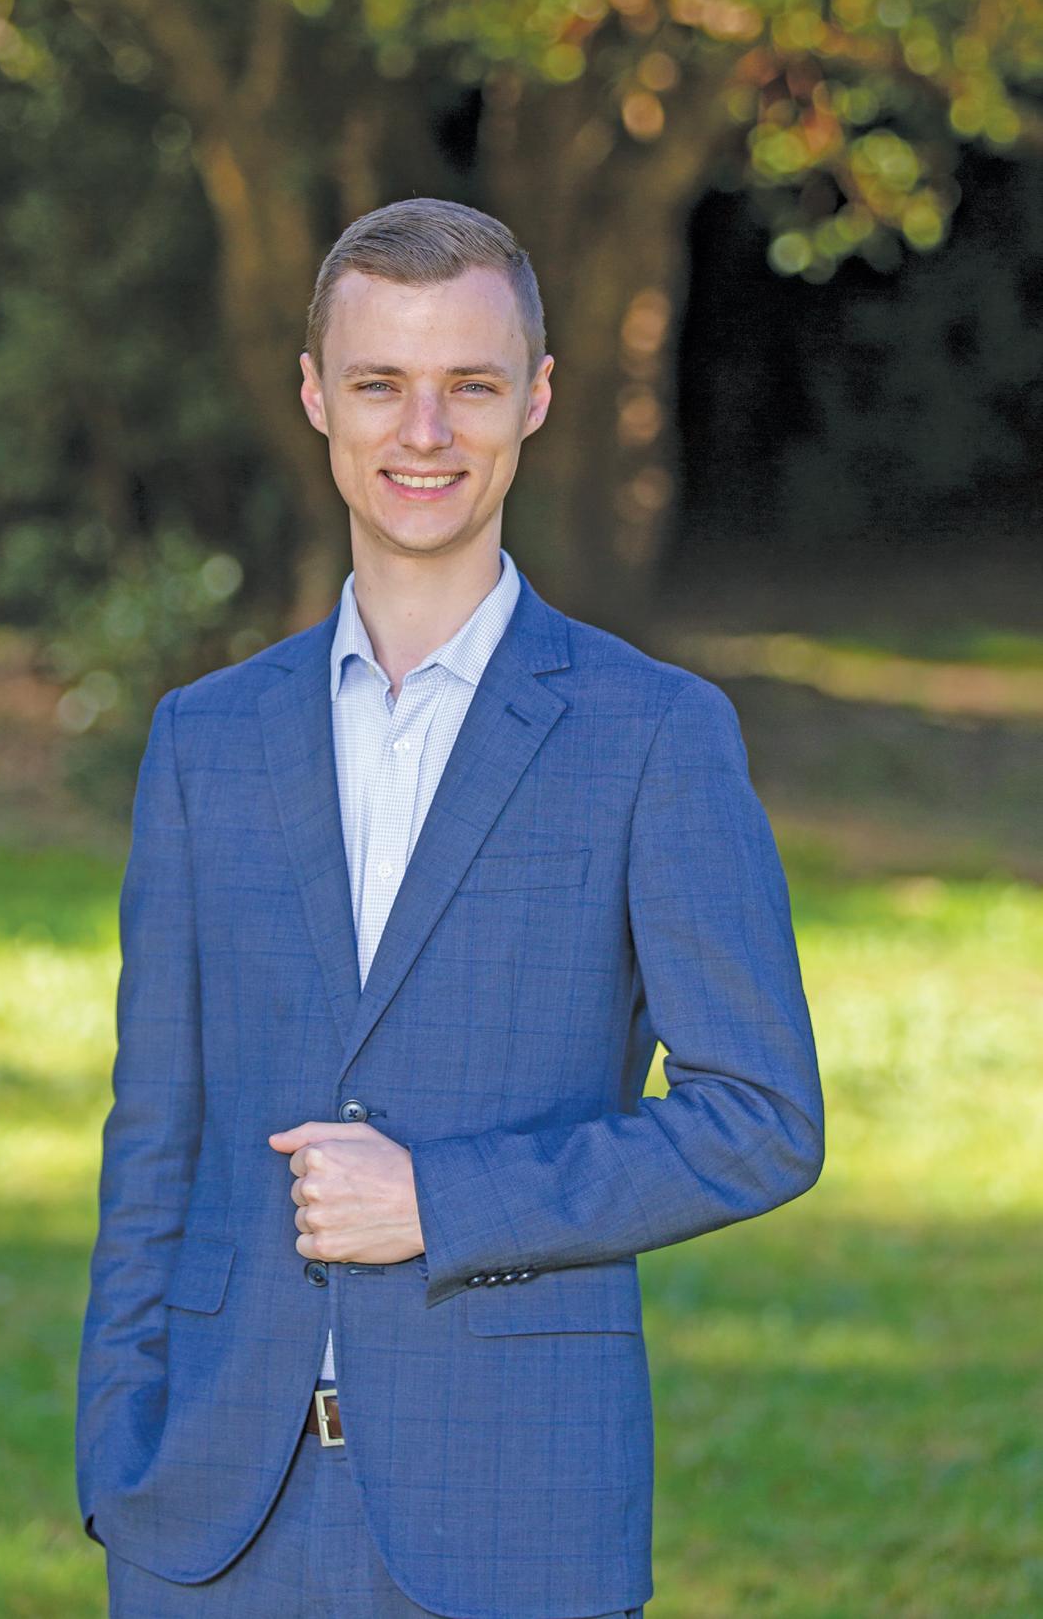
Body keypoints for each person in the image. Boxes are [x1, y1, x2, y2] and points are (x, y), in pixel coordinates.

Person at [75, 197, 824, 1619]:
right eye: (380, 384)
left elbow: (762, 1118)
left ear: (534, 398)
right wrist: (120, 1458)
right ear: (316, 396)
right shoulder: (203, 740)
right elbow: (154, 1134)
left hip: (512, 1519)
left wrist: (440, 1200)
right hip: (206, 1529)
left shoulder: (653, 734)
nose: (423, 431)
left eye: (469, 385)